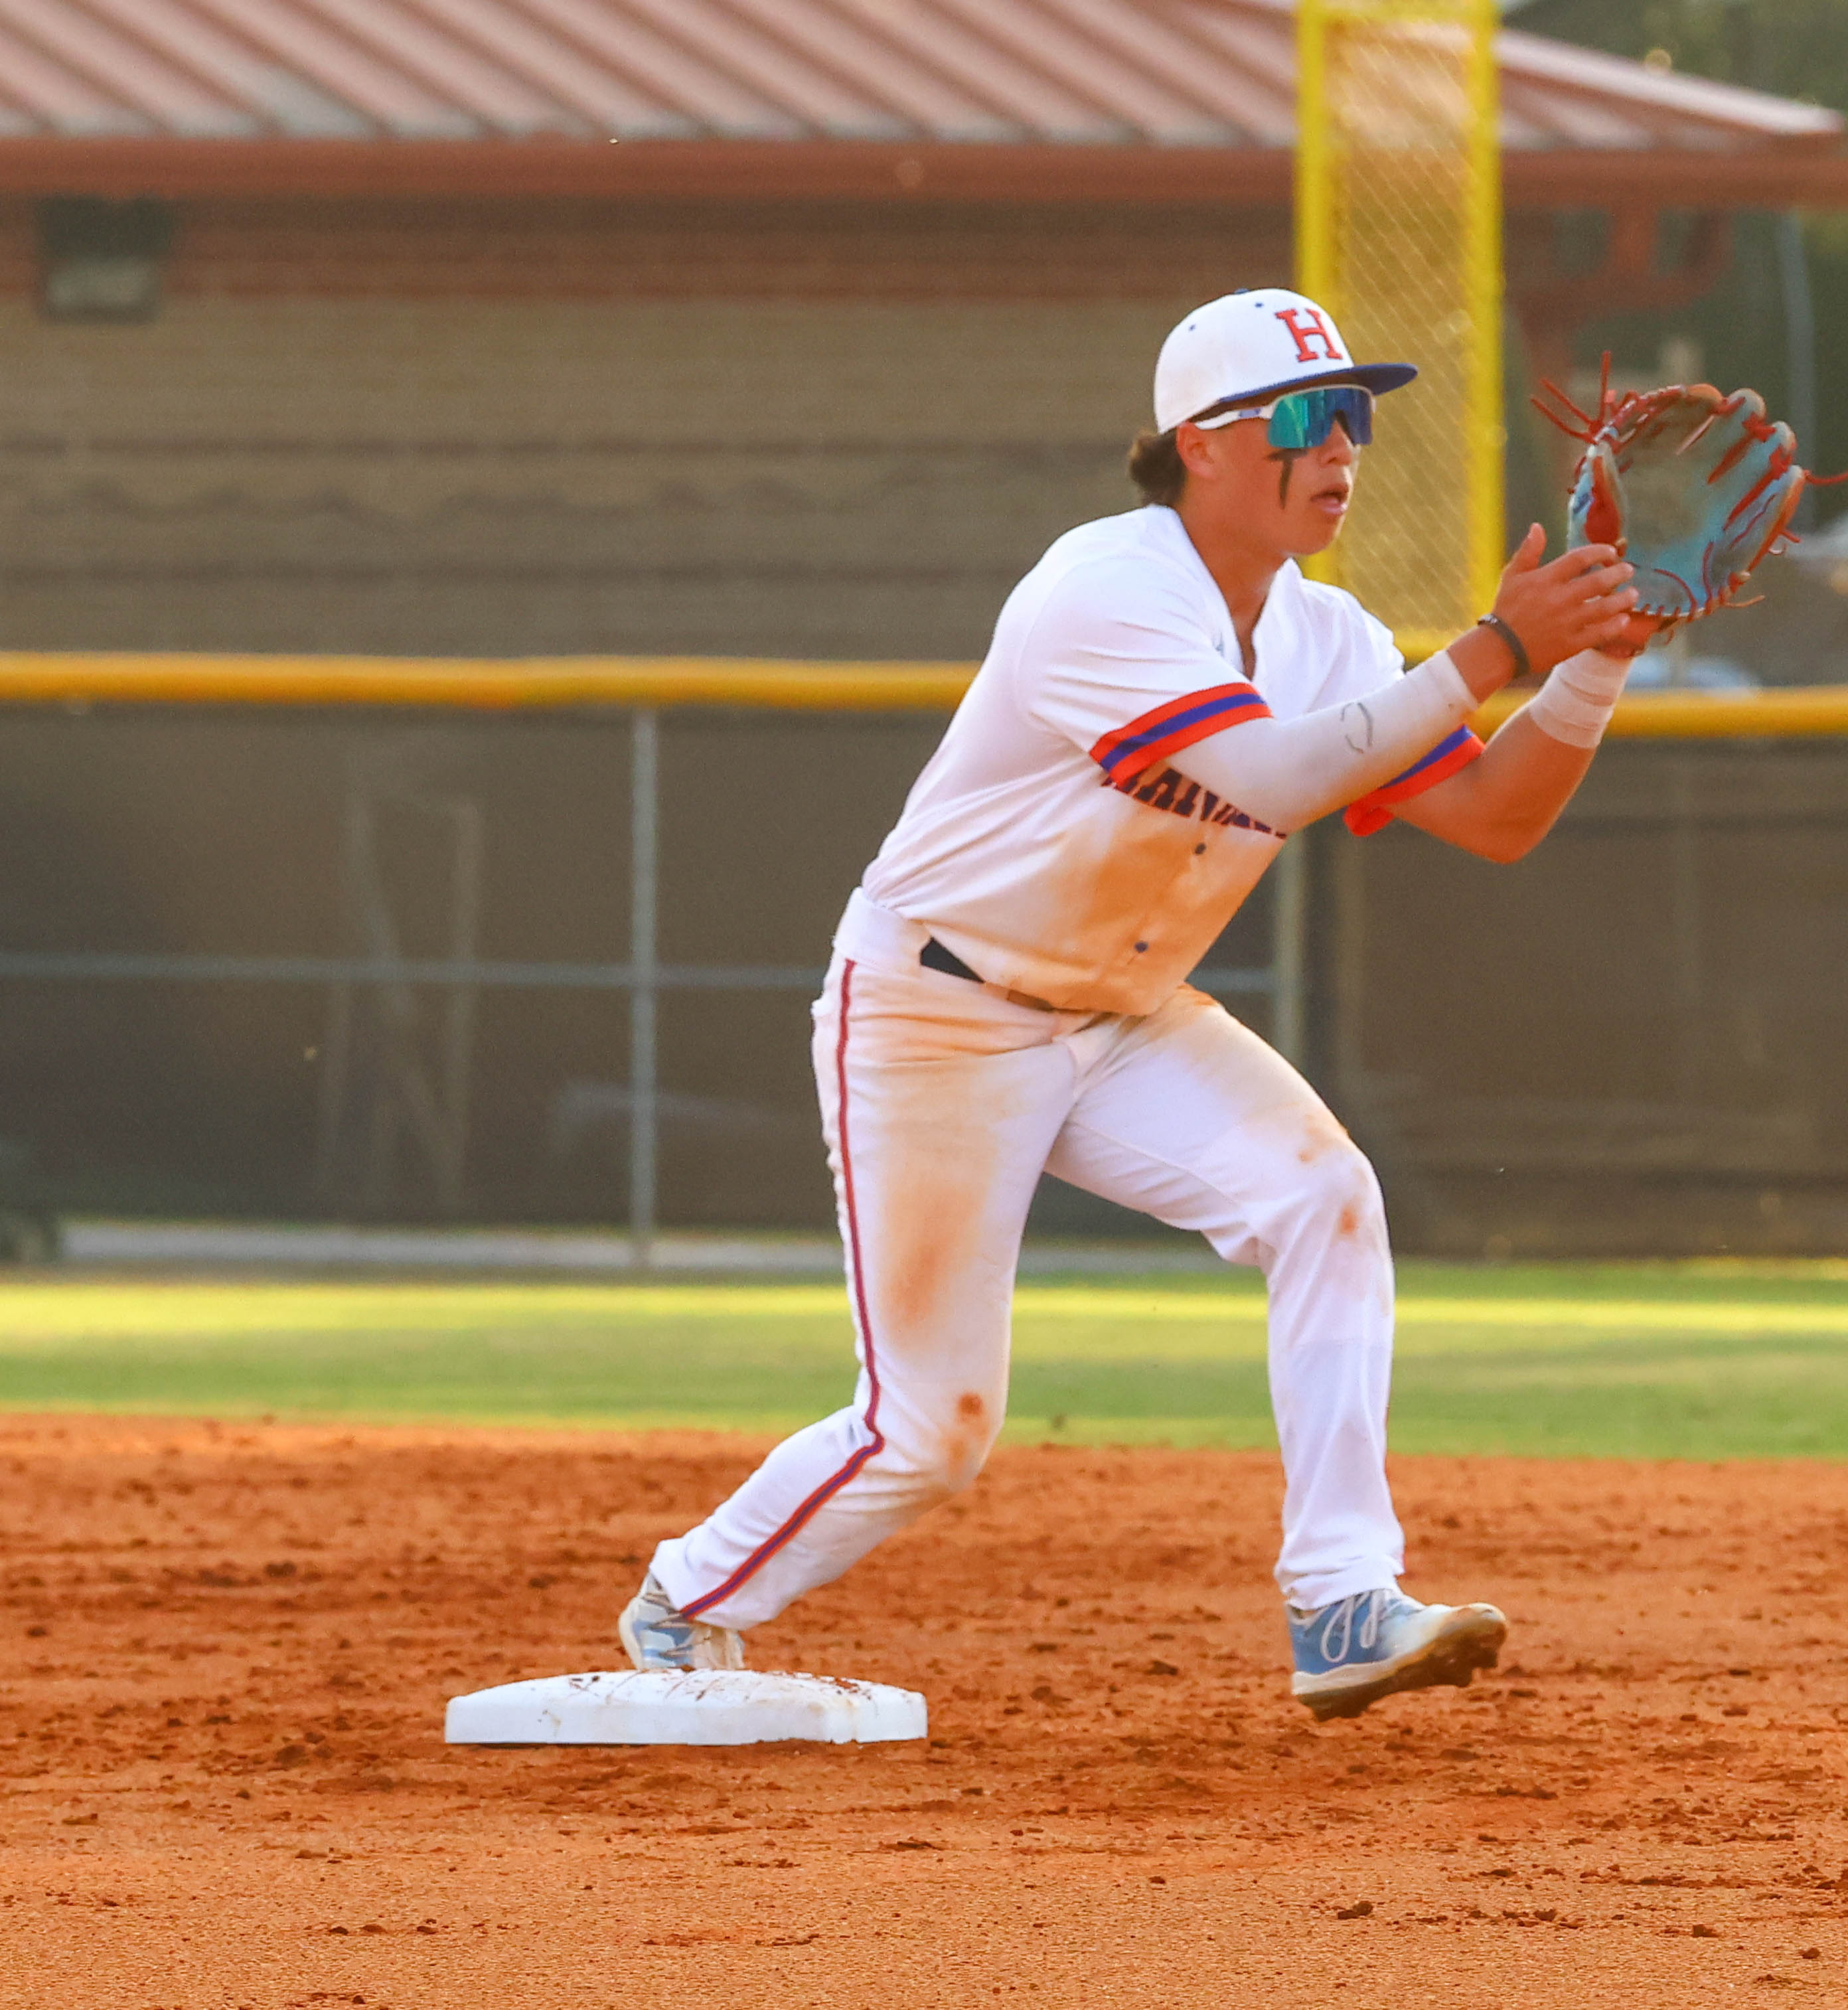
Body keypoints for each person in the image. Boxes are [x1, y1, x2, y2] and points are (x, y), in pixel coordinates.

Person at [616, 288, 1650, 1719]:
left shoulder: (1326, 634)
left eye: (1353, 415)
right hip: (940, 1010)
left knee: (1327, 1198)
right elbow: (1280, 778)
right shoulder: (1102, 586)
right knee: (932, 1430)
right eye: (1304, 417)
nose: (1343, 444)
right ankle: (690, 1597)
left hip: (1120, 1010)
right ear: (1203, 444)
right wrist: (1492, 646)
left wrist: (1592, 662)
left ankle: (1343, 1600)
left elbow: (1490, 814)